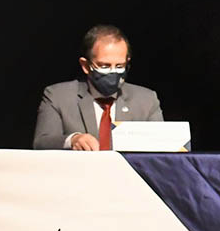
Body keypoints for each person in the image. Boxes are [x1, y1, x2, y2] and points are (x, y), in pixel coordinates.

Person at [33, 25, 164, 150]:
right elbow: (42, 142)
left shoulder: (146, 101)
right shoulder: (58, 96)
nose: (113, 72)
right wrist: (73, 140)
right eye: (104, 66)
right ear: (85, 65)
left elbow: (163, 147)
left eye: (119, 66)